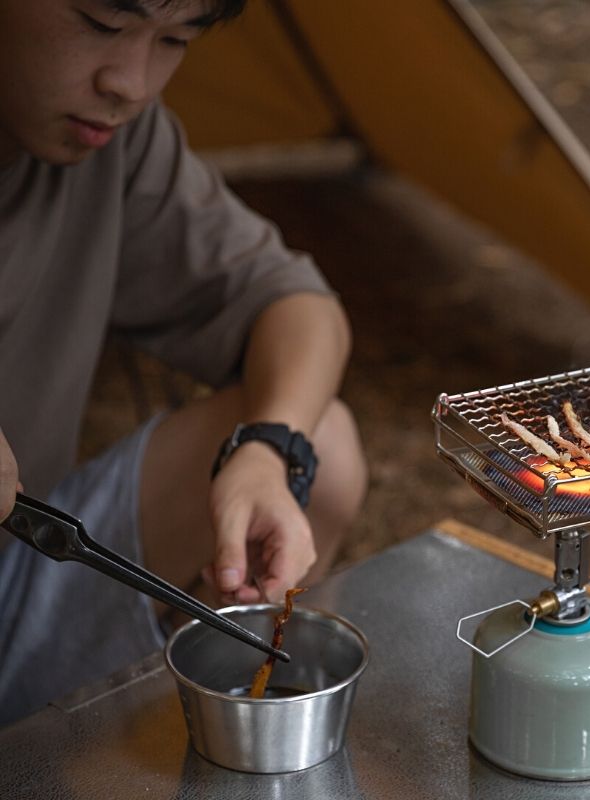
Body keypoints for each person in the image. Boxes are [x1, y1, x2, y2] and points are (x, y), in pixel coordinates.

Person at [0, 0, 367, 726]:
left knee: (317, 446)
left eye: (175, 39)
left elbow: (295, 305)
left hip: (16, 576)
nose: (131, 82)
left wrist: (268, 449)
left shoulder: (110, 143)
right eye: (103, 25)